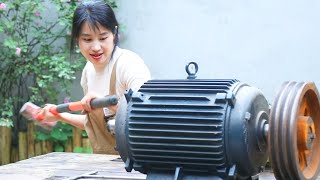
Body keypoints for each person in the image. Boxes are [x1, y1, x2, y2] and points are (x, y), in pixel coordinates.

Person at [40, 0, 151, 154]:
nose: (96, 47)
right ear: (76, 39)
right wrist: (59, 116)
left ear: (114, 33)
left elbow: (146, 118)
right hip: (103, 166)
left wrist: (106, 102)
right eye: (87, 39)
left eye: (103, 38)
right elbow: (94, 125)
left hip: (137, 165)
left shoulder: (129, 65)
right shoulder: (88, 72)